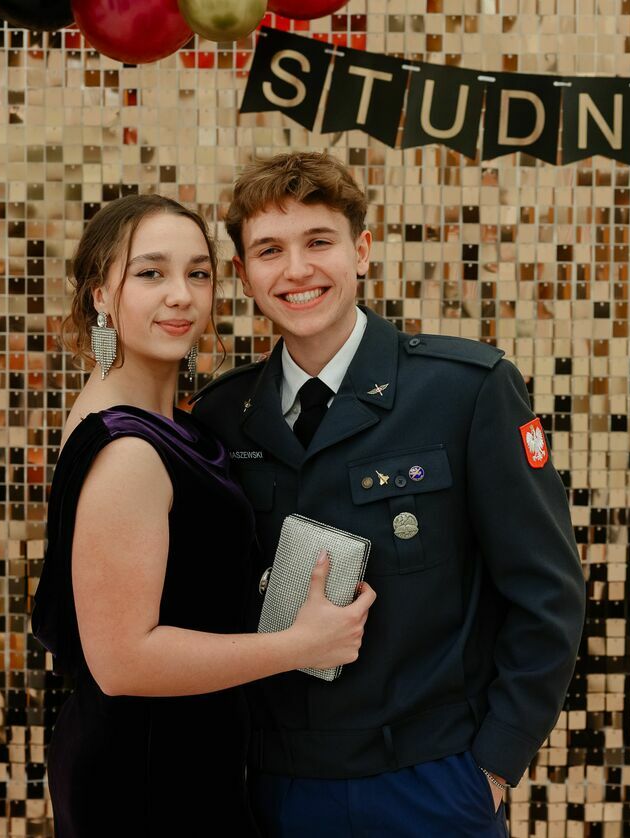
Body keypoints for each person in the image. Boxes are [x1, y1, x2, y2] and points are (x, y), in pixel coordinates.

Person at [192, 153, 587, 837]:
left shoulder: (465, 391)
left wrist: (493, 766)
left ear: (362, 250)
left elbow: (547, 592)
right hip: (275, 790)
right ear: (245, 275)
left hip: (432, 783)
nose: (296, 270)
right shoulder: (221, 416)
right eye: (270, 250)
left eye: (319, 241)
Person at [29, 193, 375, 837]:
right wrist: (302, 645)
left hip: (190, 750)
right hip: (149, 773)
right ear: (101, 294)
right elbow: (123, 661)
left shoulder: (169, 421)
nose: (181, 296)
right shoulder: (127, 449)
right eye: (150, 273)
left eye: (197, 273)